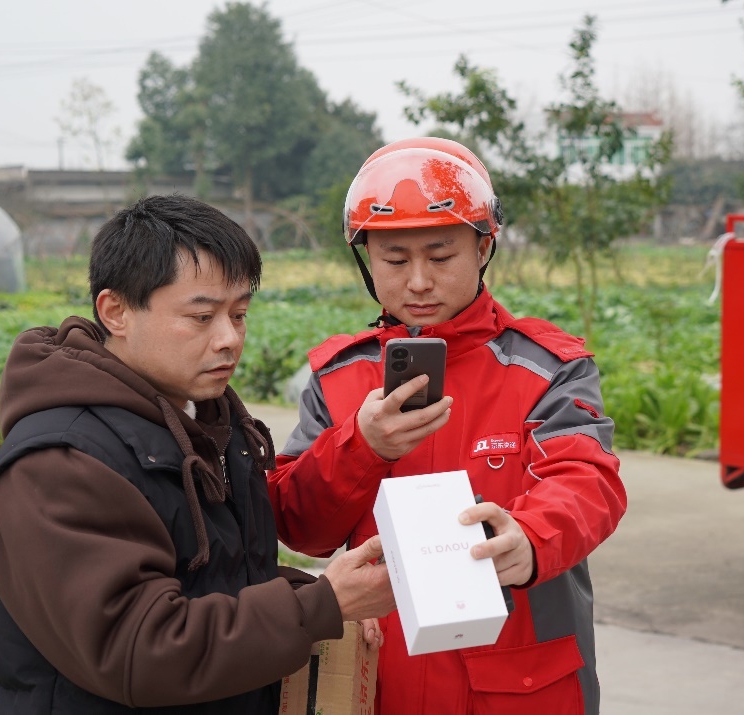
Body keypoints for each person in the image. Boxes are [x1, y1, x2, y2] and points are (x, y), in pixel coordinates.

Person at [0, 194, 395, 714]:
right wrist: (317, 606)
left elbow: (220, 582)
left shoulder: (212, 424)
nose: (229, 339)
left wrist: (320, 596)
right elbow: (138, 649)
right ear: (116, 312)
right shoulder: (60, 462)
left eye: (239, 314)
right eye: (201, 316)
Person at [268, 137, 627, 714]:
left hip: (520, 688)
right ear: (366, 259)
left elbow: (587, 480)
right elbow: (301, 526)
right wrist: (363, 447)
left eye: (440, 257)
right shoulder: (338, 379)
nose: (418, 281)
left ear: (484, 247)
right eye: (394, 260)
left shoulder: (548, 369)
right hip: (380, 684)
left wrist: (531, 538)